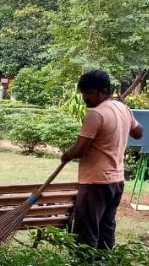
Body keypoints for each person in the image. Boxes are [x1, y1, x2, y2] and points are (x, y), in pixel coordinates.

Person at [59, 69, 144, 250]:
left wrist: (67, 155)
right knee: (106, 230)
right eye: (83, 93)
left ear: (104, 91)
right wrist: (124, 113)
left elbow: (80, 150)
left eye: (89, 93)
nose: (85, 98)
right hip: (116, 182)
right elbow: (139, 133)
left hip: (95, 184)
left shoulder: (95, 115)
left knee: (86, 234)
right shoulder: (123, 109)